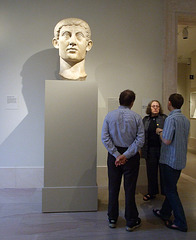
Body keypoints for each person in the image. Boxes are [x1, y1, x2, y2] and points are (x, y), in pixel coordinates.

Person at [101, 89, 144, 232]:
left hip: (114, 157)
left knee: (113, 188)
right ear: (132, 102)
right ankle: (131, 221)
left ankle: (112, 218)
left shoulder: (109, 116)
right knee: (129, 189)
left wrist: (116, 154)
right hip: (130, 157)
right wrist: (126, 155)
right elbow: (140, 140)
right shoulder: (137, 117)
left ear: (120, 100)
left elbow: (105, 138)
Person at [153, 93, 190, 232]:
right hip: (180, 160)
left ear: (169, 103)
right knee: (171, 188)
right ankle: (164, 212)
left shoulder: (171, 119)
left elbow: (167, 140)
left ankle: (181, 221)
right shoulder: (185, 120)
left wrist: (159, 132)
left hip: (169, 160)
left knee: (171, 191)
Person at [141, 100, 167, 201]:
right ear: (150, 108)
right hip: (150, 150)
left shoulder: (165, 118)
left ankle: (166, 192)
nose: (155, 108)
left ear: (159, 108)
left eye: (157, 106)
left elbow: (169, 132)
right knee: (151, 173)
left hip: (163, 150)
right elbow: (142, 135)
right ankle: (152, 193)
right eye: (153, 106)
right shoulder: (145, 120)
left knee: (164, 172)